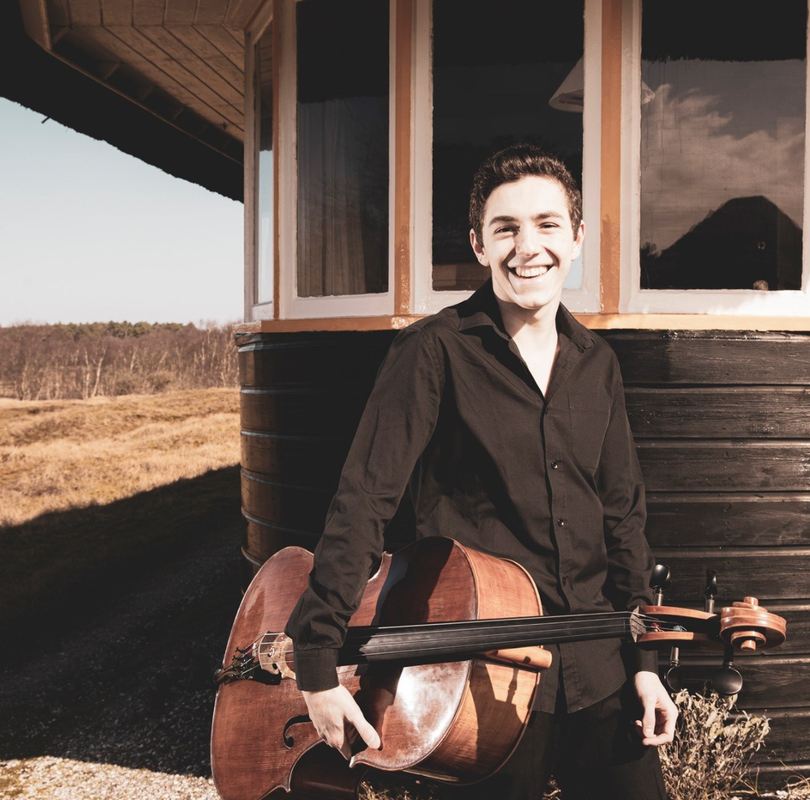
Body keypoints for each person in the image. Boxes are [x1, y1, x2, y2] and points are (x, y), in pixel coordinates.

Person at [284, 144, 676, 800]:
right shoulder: (432, 352)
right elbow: (363, 501)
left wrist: (645, 662)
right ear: (479, 244)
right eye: (506, 228)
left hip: (599, 667)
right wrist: (317, 664)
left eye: (547, 224)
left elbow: (622, 518)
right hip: (478, 680)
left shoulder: (597, 363)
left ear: (576, 237)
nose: (529, 247)